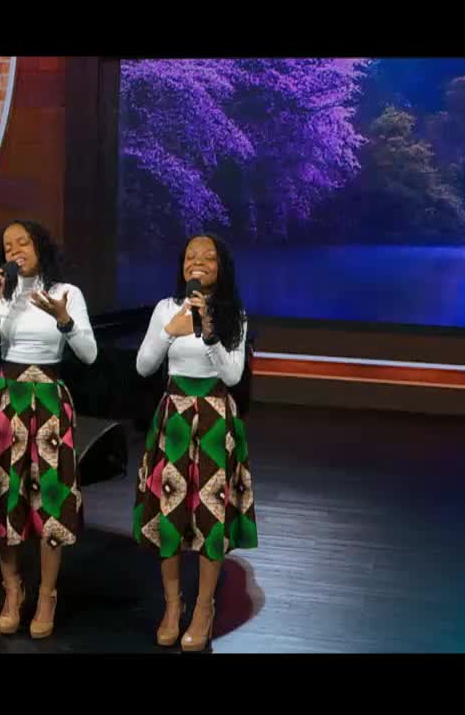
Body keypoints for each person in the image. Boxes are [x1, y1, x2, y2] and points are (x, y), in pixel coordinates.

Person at [0, 219, 97, 638]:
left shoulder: (67, 293)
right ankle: (12, 590)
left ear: (40, 245)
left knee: (51, 502)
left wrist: (65, 321)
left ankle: (46, 595)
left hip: (48, 401)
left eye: (23, 242)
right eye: (8, 246)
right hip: (5, 399)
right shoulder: (1, 295)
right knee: (1, 496)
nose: (15, 250)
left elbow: (89, 354)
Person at [133, 232, 257, 651]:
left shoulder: (232, 314)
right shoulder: (166, 308)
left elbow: (234, 375)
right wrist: (171, 330)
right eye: (190, 256)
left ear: (221, 267)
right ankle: (173, 605)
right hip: (174, 419)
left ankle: (204, 608)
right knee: (169, 512)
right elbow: (144, 365)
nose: (197, 262)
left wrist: (207, 331)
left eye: (207, 257)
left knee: (209, 519)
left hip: (214, 420)